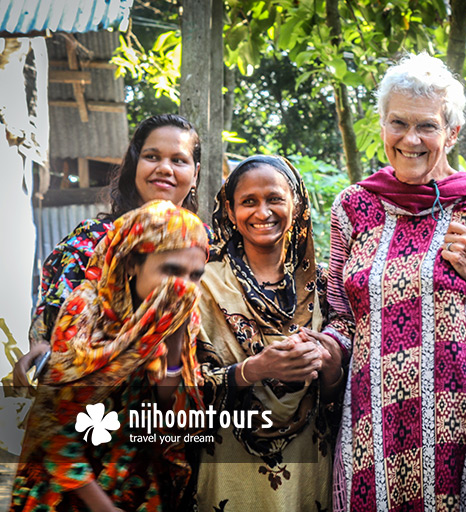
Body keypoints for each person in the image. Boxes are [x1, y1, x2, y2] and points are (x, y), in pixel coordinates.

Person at [323, 53, 466, 511]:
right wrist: (321, 349)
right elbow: (340, 316)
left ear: (451, 133)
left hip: (464, 423)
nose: (410, 139)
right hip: (372, 422)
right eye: (398, 123)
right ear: (382, 126)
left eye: (427, 126)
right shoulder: (354, 206)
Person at [12, 200, 209, 511]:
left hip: (136, 481)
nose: (182, 287)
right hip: (73, 488)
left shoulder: (183, 316)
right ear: (131, 263)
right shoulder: (84, 313)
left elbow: (173, 419)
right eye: (171, 270)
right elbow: (53, 425)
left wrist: (174, 348)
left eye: (194, 275)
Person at [192, 155, 342, 511]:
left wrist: (330, 363)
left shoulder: (323, 284)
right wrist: (253, 371)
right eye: (248, 202)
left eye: (275, 198)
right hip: (229, 467)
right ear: (229, 211)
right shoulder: (202, 284)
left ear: (296, 203)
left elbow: (343, 392)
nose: (263, 212)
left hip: (309, 468)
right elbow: (178, 393)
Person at [13, 113, 202, 387]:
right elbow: (53, 321)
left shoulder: (206, 248)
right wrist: (42, 349)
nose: (164, 168)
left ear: (194, 174)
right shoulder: (89, 240)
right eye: (152, 156)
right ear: (134, 166)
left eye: (178, 160)